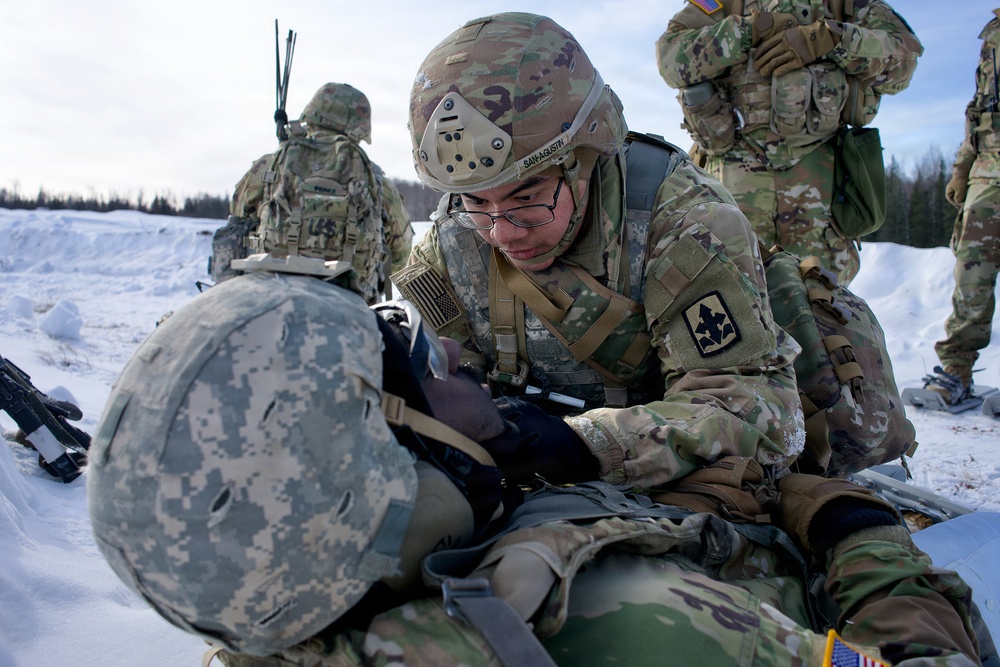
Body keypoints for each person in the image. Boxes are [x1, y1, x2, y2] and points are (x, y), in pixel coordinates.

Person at [86, 253, 985, 667]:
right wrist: (853, 530)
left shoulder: (281, 597)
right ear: (390, 480)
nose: (454, 356)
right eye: (423, 366)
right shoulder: (651, 626)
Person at [392, 11, 804, 494]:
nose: (501, 233)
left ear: (584, 160)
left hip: (671, 487)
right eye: (476, 203)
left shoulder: (683, 224)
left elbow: (756, 410)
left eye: (527, 197)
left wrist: (584, 445)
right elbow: (439, 383)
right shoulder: (451, 243)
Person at [655, 0, 923, 286]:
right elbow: (671, 58)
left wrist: (831, 39)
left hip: (821, 189)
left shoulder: (844, 5)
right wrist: (749, 30)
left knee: (821, 300)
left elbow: (904, 60)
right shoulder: (726, 3)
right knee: (728, 297)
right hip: (731, 185)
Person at [211, 82, 414, 302]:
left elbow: (237, 220)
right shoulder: (377, 182)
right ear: (360, 128)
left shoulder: (269, 166)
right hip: (350, 300)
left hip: (269, 294)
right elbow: (400, 251)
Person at [924, 8, 1000, 405]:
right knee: (972, 272)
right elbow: (980, 109)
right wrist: (962, 167)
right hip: (989, 171)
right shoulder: (994, 34)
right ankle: (956, 371)